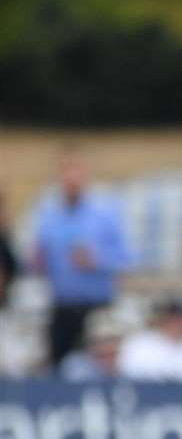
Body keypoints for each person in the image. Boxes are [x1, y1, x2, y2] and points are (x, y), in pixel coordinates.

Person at [30, 150, 132, 369]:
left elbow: (125, 256)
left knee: (102, 364)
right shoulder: (48, 215)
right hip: (63, 304)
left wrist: (98, 260)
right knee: (58, 364)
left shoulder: (105, 214)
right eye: (67, 175)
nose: (71, 181)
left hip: (97, 305)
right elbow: (37, 262)